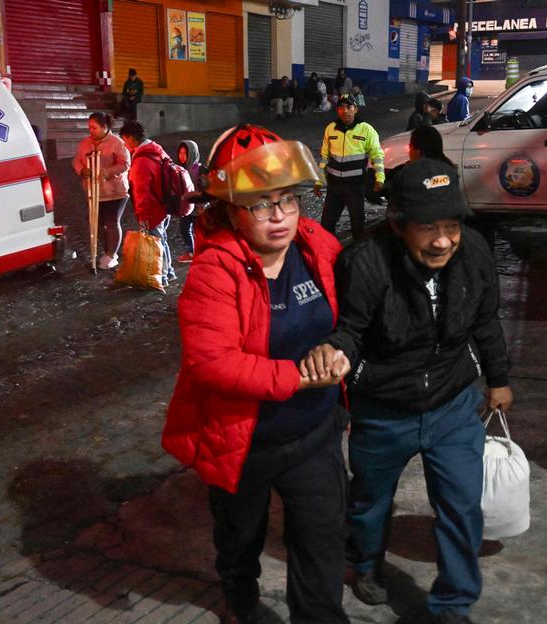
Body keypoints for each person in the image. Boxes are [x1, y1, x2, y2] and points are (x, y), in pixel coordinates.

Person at [302, 157, 511, 624]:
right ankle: (366, 562)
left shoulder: (474, 252)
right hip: (383, 409)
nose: (443, 240)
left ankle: (454, 604)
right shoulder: (366, 261)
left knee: (460, 505)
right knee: (369, 501)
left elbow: (484, 320)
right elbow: (351, 329)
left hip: (453, 405)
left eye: (451, 225)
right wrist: (336, 352)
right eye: (427, 227)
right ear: (398, 225)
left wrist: (498, 378)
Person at [162, 124, 351, 624]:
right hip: (243, 443)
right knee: (239, 540)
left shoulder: (316, 244)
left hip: (315, 434)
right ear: (229, 208)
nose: (280, 217)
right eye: (261, 204)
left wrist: (344, 350)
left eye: (288, 200)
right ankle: (242, 605)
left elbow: (354, 309)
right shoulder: (215, 271)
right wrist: (299, 377)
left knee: (321, 541)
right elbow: (212, 361)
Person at [314, 94, 385, 239]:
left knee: (357, 227)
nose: (345, 111)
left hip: (355, 186)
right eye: (341, 107)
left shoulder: (367, 130)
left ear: (356, 109)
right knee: (326, 225)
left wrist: (380, 178)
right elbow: (324, 157)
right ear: (337, 110)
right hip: (334, 187)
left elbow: (377, 156)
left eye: (348, 107)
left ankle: (356, 258)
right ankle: (329, 256)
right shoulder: (330, 129)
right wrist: (319, 181)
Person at [118, 120, 176, 287]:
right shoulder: (157, 150)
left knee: (155, 243)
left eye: (125, 140)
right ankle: (169, 271)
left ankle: (162, 276)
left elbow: (141, 191)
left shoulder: (142, 161)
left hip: (152, 208)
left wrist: (142, 214)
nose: (125, 144)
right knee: (162, 240)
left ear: (131, 138)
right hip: (164, 204)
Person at [72, 112, 130, 270]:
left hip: (115, 191)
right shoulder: (85, 143)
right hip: (94, 191)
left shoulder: (117, 143)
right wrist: (82, 170)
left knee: (111, 222)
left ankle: (112, 254)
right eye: (89, 127)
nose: (91, 131)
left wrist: (107, 171)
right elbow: (77, 160)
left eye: (94, 128)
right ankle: (105, 251)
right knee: (98, 224)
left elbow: (125, 164)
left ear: (104, 127)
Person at [175, 139, 203, 263]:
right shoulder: (179, 169)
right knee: (184, 230)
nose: (182, 156)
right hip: (186, 208)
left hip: (197, 208)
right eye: (180, 153)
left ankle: (201, 253)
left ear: (192, 153)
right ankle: (190, 251)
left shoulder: (199, 169)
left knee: (199, 232)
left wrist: (203, 203)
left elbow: (206, 188)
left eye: (185, 153)